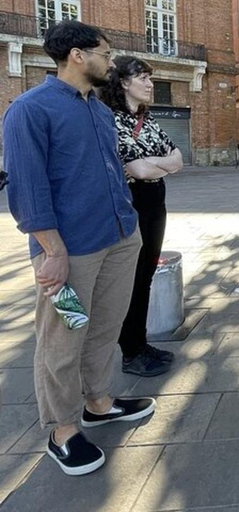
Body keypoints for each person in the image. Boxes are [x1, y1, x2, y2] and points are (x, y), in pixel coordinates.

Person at [3, 21, 156, 476]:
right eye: (105, 54)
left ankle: (99, 402)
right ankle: (62, 430)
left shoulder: (99, 110)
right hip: (69, 251)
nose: (110, 63)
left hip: (119, 238)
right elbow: (27, 189)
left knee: (104, 329)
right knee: (61, 342)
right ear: (77, 55)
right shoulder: (29, 110)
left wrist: (129, 220)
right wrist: (51, 251)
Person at [100, 56, 183, 377]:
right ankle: (130, 351)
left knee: (147, 274)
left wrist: (156, 164)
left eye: (150, 78)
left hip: (154, 202)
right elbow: (136, 168)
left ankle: (140, 342)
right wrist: (158, 163)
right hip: (129, 203)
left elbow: (177, 158)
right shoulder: (110, 120)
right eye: (143, 78)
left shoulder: (147, 120)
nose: (150, 84)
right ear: (123, 83)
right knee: (130, 278)